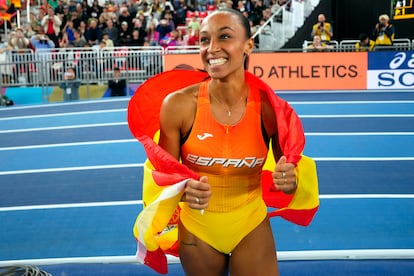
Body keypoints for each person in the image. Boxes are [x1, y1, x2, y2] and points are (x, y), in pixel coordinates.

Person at [128, 8, 319, 275]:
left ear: (248, 45)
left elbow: (287, 173)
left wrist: (291, 180)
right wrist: (183, 191)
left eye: (225, 37)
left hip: (251, 224)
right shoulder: (178, 106)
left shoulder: (269, 110)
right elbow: (165, 176)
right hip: (198, 232)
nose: (212, 48)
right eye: (205, 40)